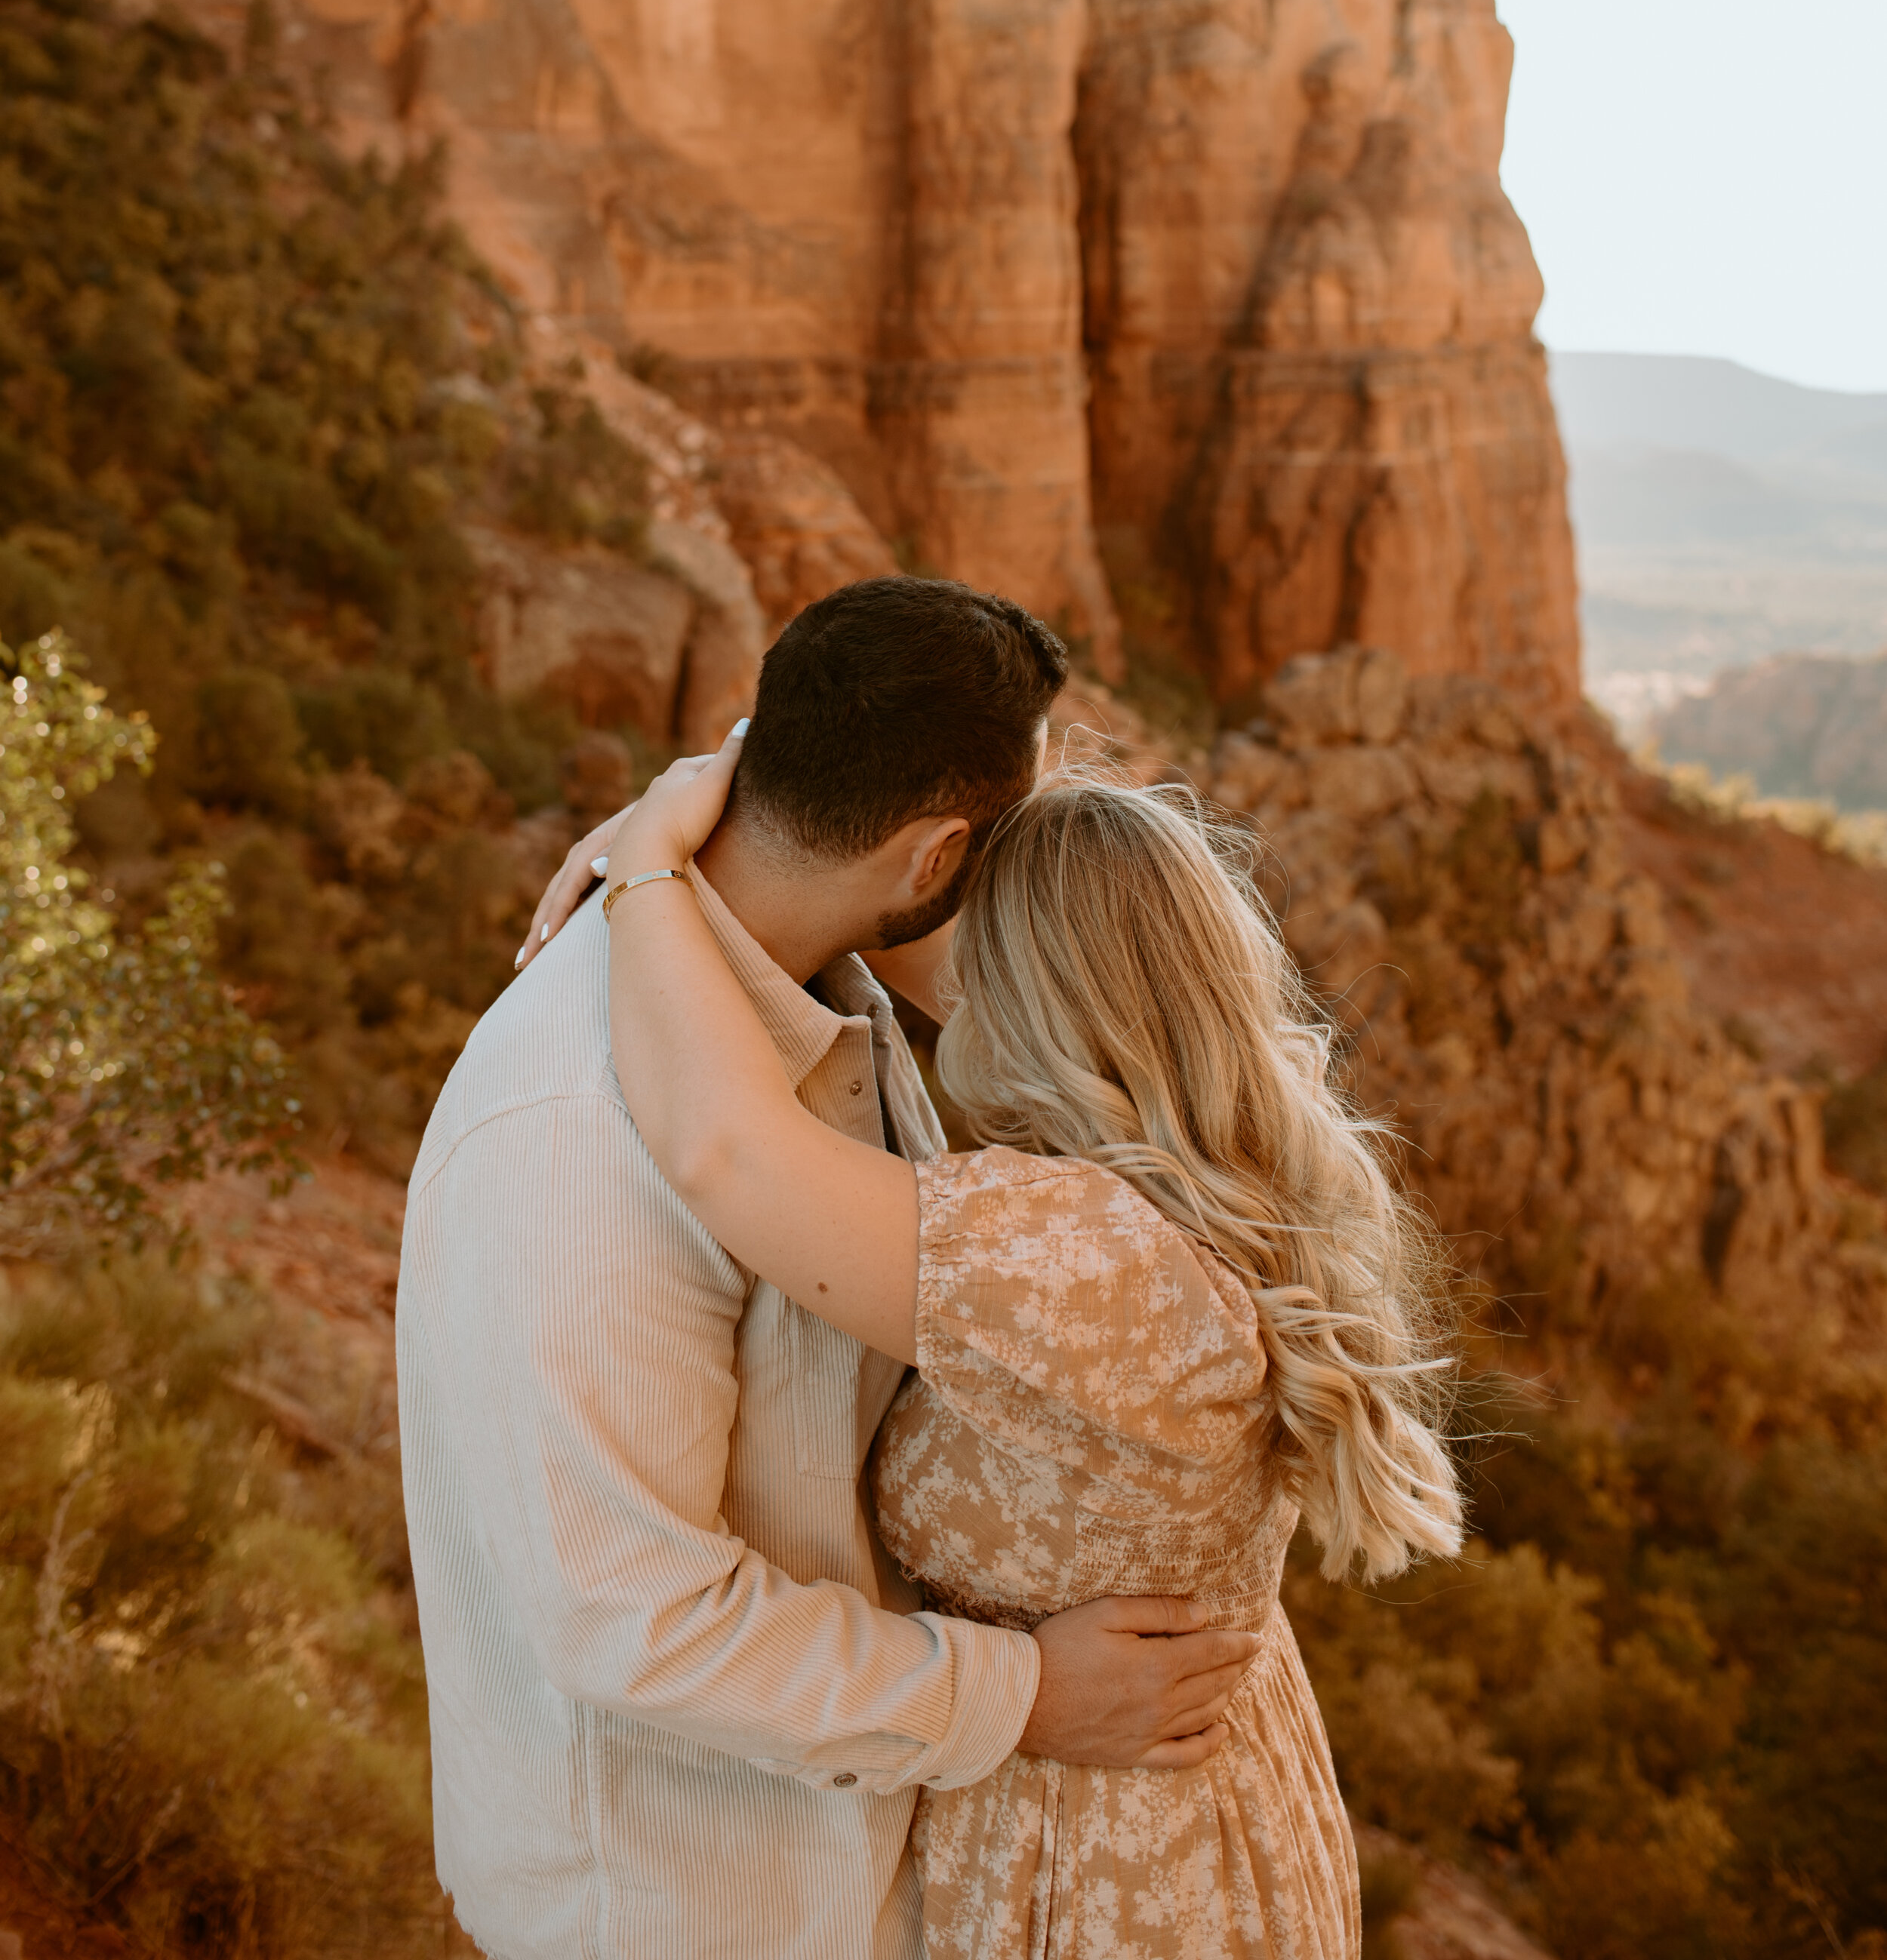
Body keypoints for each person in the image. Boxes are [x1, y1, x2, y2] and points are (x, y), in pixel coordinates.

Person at [396, 578, 1261, 1960]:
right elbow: (630, 1616)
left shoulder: (828, 986)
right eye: (999, 848)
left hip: (856, 1870)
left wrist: (665, 832)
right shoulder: (569, 1132)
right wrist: (1024, 1695)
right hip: (690, 1907)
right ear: (934, 858)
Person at [593, 722, 1467, 1960]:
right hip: (1213, 1813)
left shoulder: (1084, 1260)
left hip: (1103, 1857)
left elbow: (723, 1151)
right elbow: (909, 935)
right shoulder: (1227, 1175)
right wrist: (770, 820)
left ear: (1030, 990)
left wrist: (647, 864)